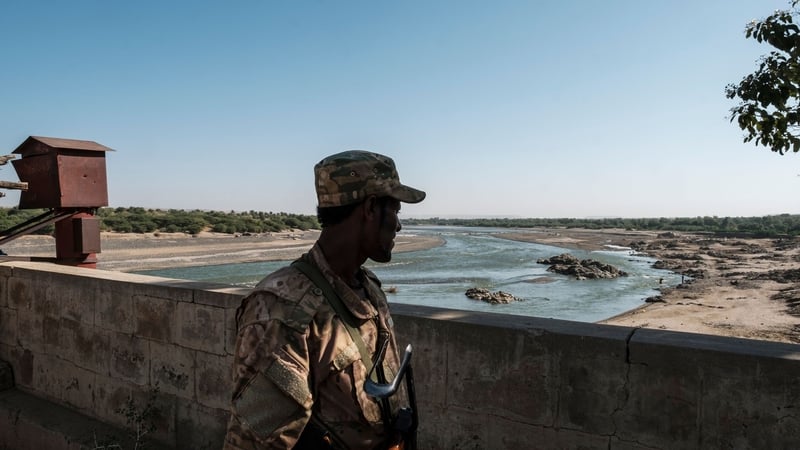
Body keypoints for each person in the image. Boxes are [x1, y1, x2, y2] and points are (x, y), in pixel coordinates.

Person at [223, 150, 425, 450]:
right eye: (395, 210)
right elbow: (256, 442)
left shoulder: (367, 286)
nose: (398, 225)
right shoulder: (282, 309)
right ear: (370, 208)